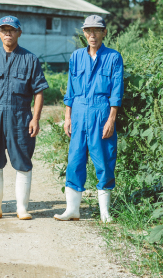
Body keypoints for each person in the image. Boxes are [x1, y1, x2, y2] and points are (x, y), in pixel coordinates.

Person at [0, 16, 49, 220]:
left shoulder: (30, 59)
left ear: (19, 33)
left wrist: (36, 118)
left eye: (12, 30)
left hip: (21, 116)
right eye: (4, 30)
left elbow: (39, 91)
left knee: (23, 159)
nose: (8, 33)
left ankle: (21, 208)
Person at [55, 15, 123, 223]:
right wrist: (67, 117)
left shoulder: (113, 57)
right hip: (78, 112)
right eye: (88, 31)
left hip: (101, 112)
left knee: (104, 159)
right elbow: (70, 89)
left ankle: (105, 213)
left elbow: (117, 91)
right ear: (84, 33)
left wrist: (111, 119)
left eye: (97, 30)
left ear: (104, 32)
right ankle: (72, 210)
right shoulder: (76, 56)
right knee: (74, 159)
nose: (92, 35)